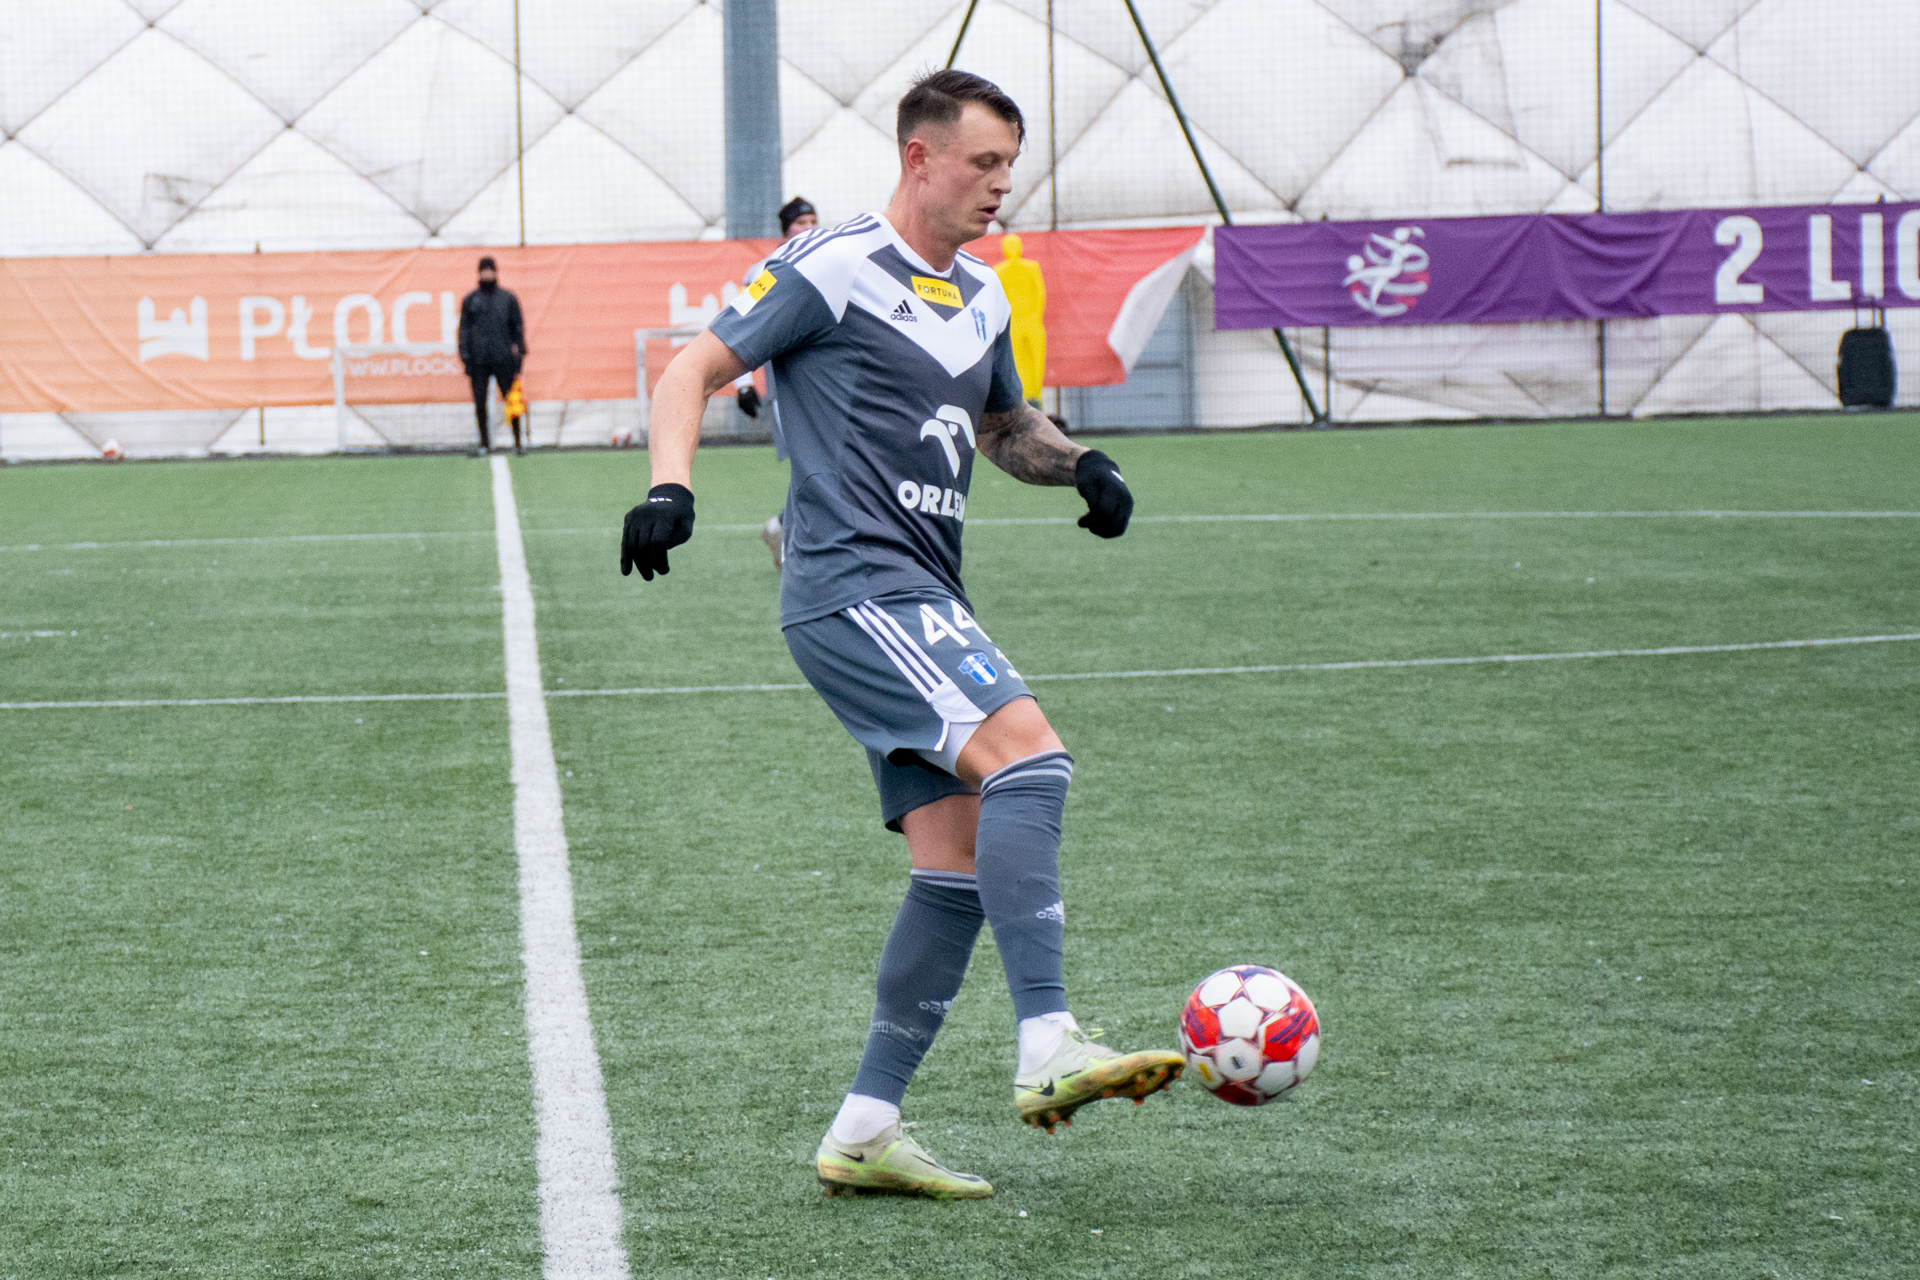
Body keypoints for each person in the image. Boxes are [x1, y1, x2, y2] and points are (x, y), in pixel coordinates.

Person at [619, 68, 1178, 1201]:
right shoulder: (834, 263)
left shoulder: (983, 295)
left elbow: (1003, 424)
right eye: (983, 163)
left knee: (954, 866)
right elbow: (692, 367)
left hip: (924, 591)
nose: (1002, 185)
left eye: (1011, 166)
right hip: (853, 584)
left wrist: (1082, 464)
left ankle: (867, 1126)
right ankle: (1049, 1038)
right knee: (1032, 757)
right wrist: (671, 488)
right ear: (920, 157)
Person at [735, 196, 819, 569]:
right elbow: (740, 325)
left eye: (814, 221)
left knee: (834, 464)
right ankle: (789, 533)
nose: (809, 228)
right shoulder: (765, 271)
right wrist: (743, 383)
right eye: (801, 223)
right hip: (788, 386)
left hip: (829, 384)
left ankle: (784, 528)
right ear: (786, 231)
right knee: (813, 466)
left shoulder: (831, 263)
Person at [458, 256, 527, 453]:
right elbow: (464, 331)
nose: (487, 274)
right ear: (479, 273)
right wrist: (466, 358)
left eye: (490, 270)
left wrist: (519, 357)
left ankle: (518, 442)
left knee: (511, 400)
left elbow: (518, 329)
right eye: (484, 271)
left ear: (496, 272)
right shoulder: (470, 300)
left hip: (504, 358)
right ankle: (484, 443)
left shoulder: (508, 298)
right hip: (478, 361)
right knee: (480, 403)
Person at [994, 233, 1046, 408]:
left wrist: (1035, 315)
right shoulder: (1000, 271)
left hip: (1028, 321)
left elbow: (1040, 293)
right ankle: (1023, 399)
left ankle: (1034, 397)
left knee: (1034, 361)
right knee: (1017, 360)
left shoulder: (1030, 268)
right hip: (1016, 322)